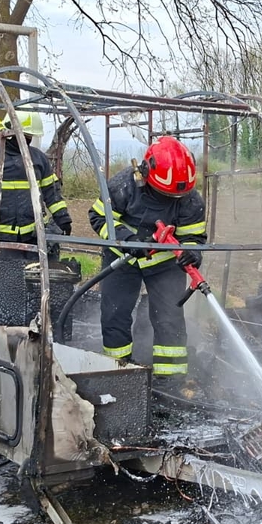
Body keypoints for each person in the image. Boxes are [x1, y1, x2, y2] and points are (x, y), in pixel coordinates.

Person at [88, 136, 206, 377]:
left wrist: (191, 253)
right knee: (115, 314)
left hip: (165, 264)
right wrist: (127, 242)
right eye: (165, 195)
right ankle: (117, 373)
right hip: (122, 260)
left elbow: (194, 236)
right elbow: (98, 217)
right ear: (146, 175)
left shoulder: (190, 198)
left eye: (174, 198)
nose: (171, 201)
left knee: (170, 318)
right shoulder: (123, 186)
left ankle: (170, 379)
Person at [0, 110, 72, 241]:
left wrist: (63, 218)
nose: (28, 139)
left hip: (34, 237)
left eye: (30, 136)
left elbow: (52, 193)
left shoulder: (39, 158)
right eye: (25, 135)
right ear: (9, 132)